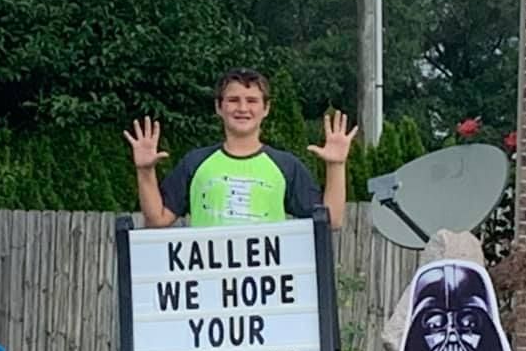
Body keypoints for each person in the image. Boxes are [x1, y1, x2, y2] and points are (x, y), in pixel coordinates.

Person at [124, 68, 358, 230]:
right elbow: (157, 220)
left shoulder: (286, 166)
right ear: (219, 107)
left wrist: (336, 165)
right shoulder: (195, 163)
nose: (243, 108)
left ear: (266, 108)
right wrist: (144, 171)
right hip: (208, 288)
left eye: (252, 100)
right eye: (233, 100)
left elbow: (332, 221)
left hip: (266, 291)